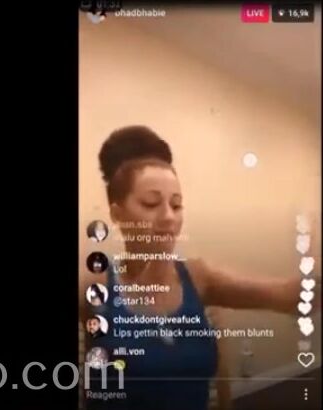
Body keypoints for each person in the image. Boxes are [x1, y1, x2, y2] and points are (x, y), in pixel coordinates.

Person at [84, 125, 312, 410]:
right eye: (151, 203)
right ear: (117, 213)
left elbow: (288, 295)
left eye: (177, 205)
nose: (169, 217)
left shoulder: (198, 278)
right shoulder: (95, 285)